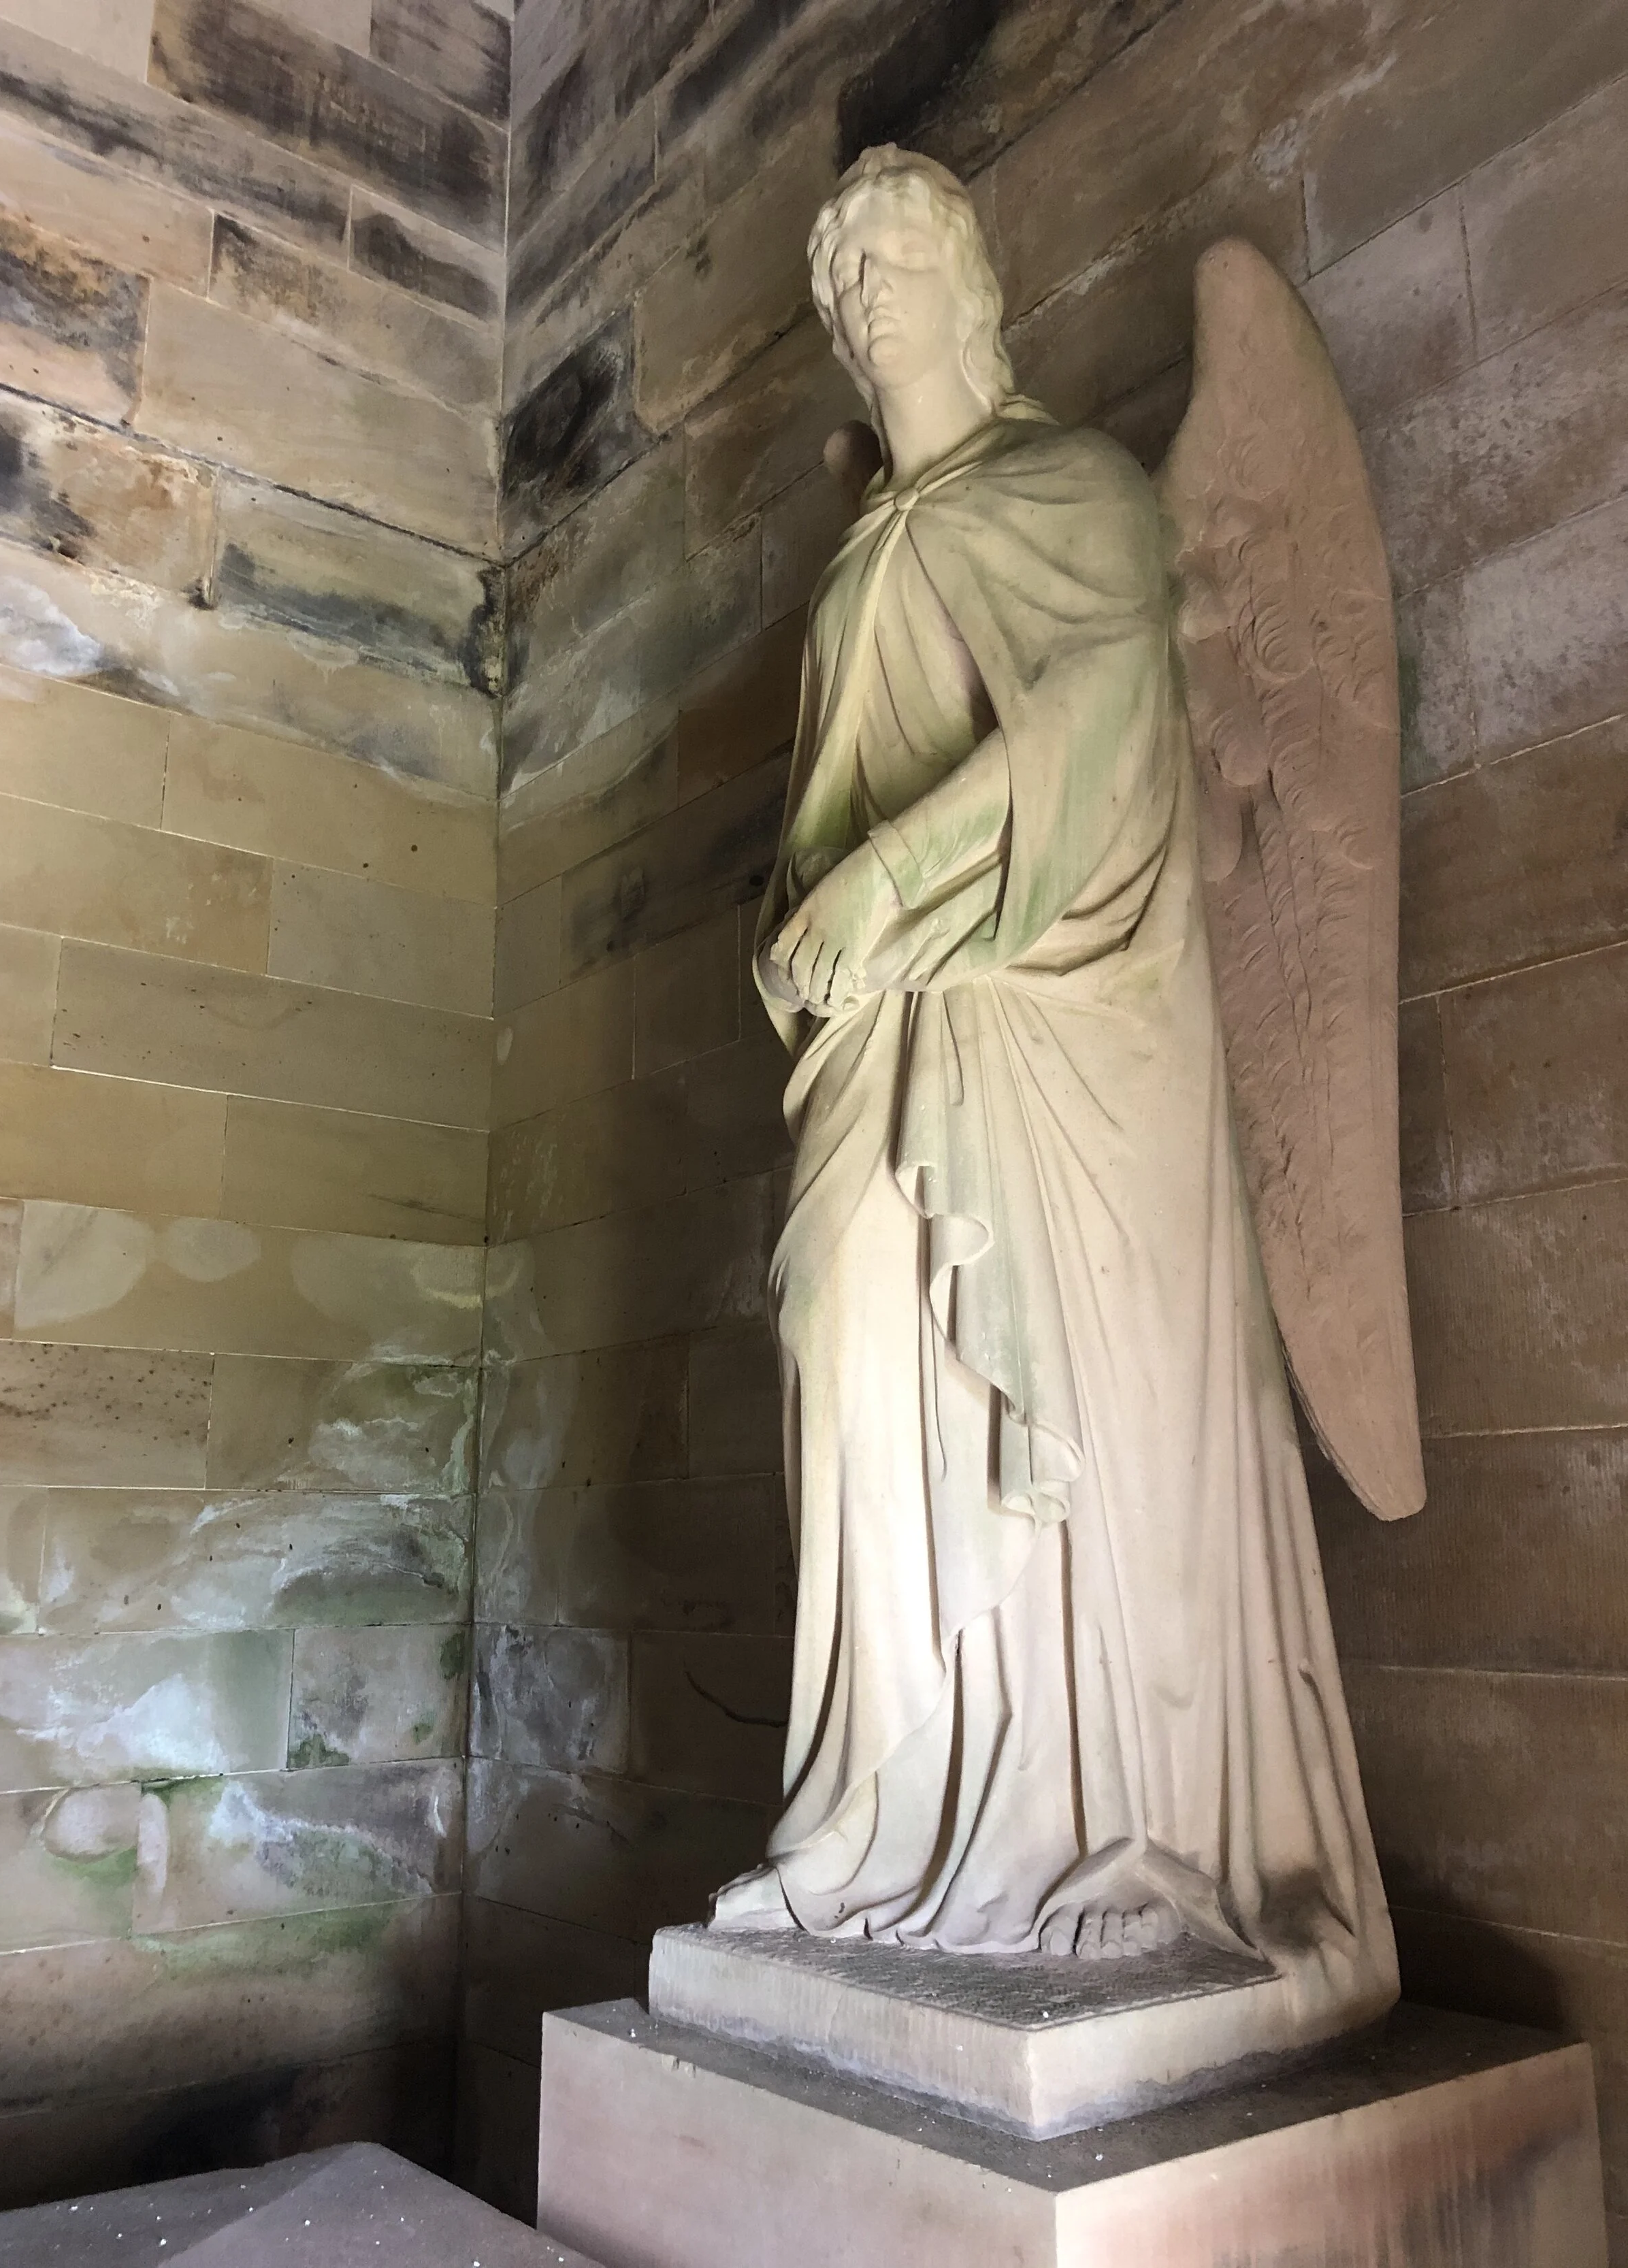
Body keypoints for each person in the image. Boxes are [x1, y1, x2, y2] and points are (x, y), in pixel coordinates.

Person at [711, 144, 1397, 2039]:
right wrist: (802, 922)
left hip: (1058, 1014)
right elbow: (822, 804)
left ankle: (1096, 1822)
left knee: (1046, 1392)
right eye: (841, 289)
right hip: (877, 1032)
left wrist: (873, 890)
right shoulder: (866, 548)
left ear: (974, 286)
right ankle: (880, 1813)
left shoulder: (1070, 492)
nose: (864, 307)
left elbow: (1105, 733)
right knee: (838, 1315)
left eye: (894, 268)